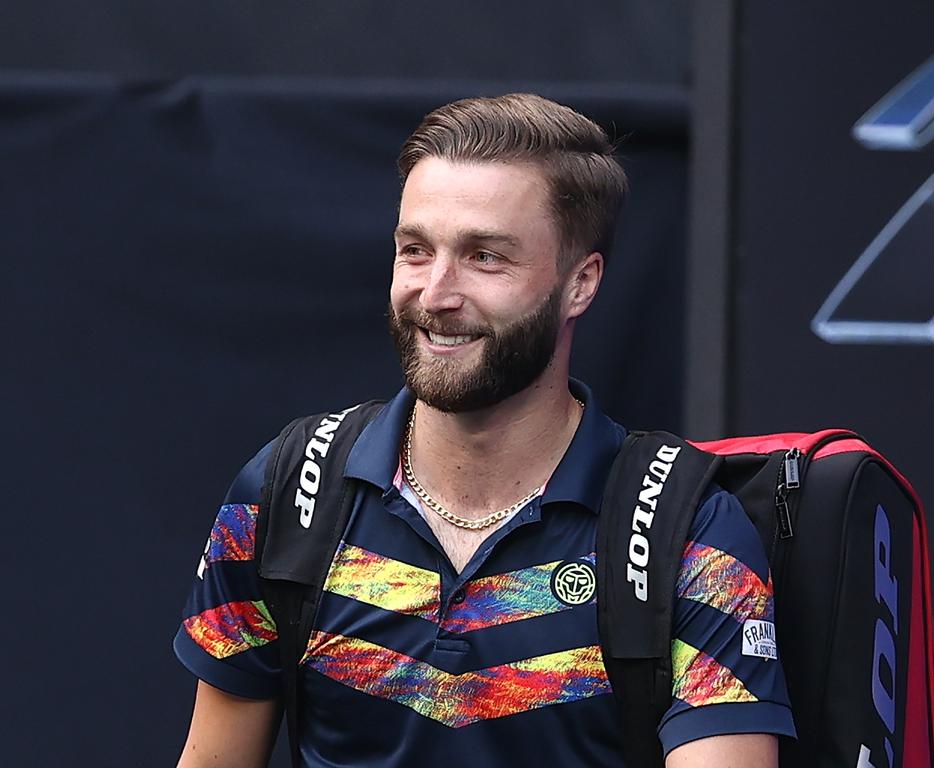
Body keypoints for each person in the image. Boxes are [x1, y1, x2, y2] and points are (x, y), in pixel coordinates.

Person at [174, 93, 796, 768]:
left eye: (485, 257)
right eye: (416, 250)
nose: (436, 294)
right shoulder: (289, 492)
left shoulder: (688, 530)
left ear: (580, 284)